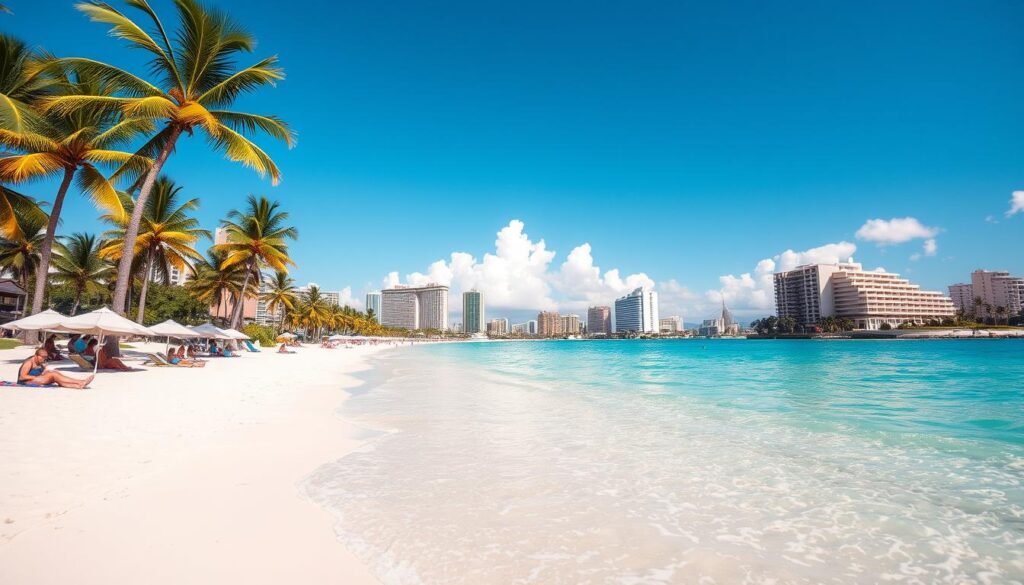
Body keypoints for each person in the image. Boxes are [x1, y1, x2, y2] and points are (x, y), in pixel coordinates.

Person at [17, 348, 93, 389]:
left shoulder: (40, 362)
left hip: (36, 379)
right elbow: (22, 377)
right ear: (36, 355)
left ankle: (77, 385)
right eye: (42, 357)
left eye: (45, 357)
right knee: (53, 375)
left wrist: (45, 371)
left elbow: (41, 372)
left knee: (55, 375)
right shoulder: (29, 362)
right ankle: (80, 381)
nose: (44, 359)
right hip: (27, 381)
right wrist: (37, 377)